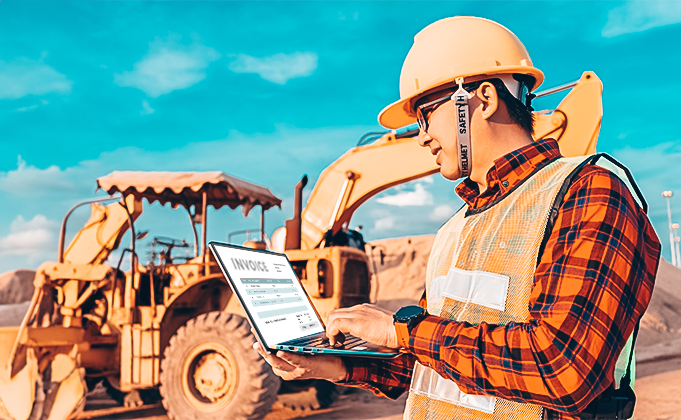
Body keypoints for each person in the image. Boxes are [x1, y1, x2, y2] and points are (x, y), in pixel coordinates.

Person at [255, 16, 660, 420]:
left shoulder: (589, 194)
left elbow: (562, 368)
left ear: (482, 99)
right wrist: (335, 365)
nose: (421, 136)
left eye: (425, 115)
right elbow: (432, 359)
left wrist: (400, 331)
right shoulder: (458, 228)